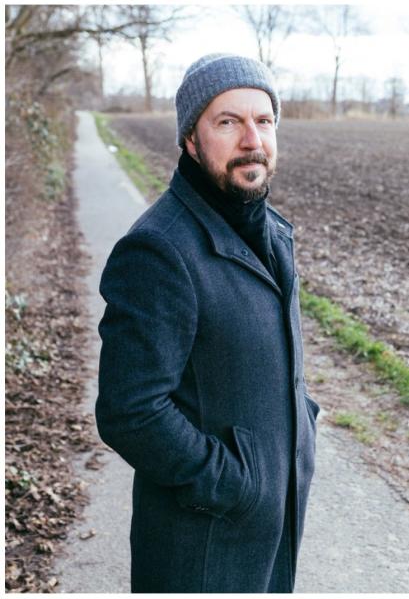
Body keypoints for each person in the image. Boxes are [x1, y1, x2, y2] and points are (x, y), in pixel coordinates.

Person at [96, 53, 318, 593]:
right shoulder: (159, 249)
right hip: (202, 549)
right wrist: (235, 484)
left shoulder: (271, 234)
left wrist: (301, 427)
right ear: (190, 140)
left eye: (263, 121)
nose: (251, 140)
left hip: (270, 531)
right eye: (227, 122)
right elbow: (129, 411)